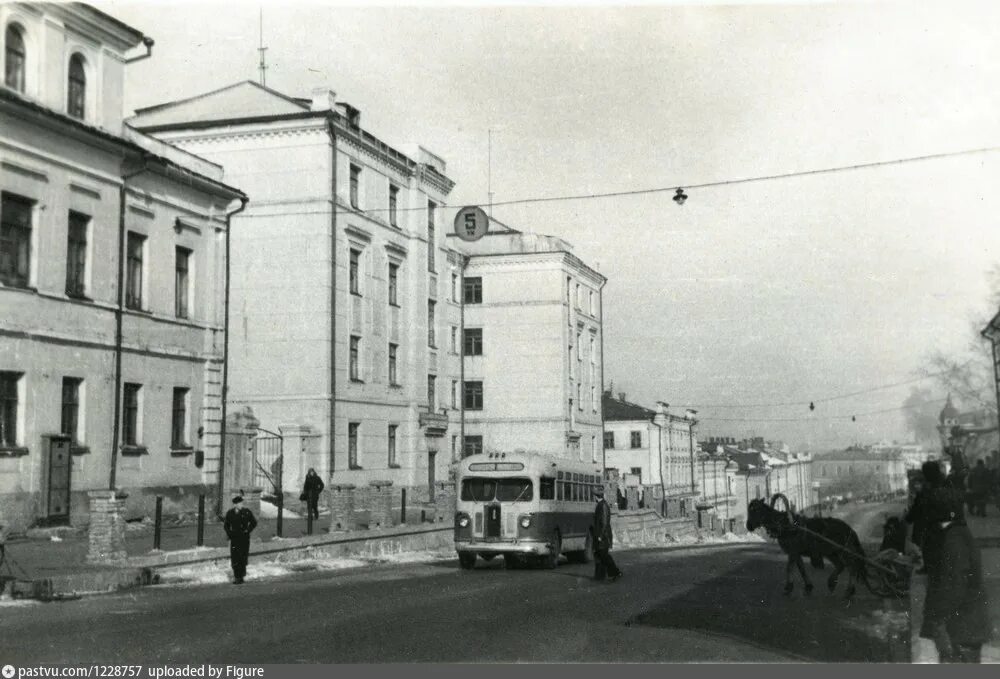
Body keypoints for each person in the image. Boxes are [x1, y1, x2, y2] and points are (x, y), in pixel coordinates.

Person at [919, 487, 991, 663]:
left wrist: (937, 618)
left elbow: (954, 585)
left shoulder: (954, 538)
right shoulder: (956, 533)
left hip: (960, 629)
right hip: (966, 627)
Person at [223, 494, 258, 584]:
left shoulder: (246, 512)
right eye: (239, 503)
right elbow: (226, 525)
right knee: (235, 557)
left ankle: (241, 576)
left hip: (244, 538)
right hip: (234, 538)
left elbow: (254, 522)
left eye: (242, 503)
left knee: (243, 557)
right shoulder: (230, 513)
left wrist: (248, 530)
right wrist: (229, 533)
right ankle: (237, 576)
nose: (241, 505)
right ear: (235, 504)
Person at [592, 487, 622, 582]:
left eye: (594, 496)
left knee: (604, 555)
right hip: (601, 534)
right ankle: (600, 576)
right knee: (599, 555)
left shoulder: (603, 506)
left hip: (604, 536)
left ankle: (616, 572)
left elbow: (604, 522)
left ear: (596, 497)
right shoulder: (601, 505)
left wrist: (600, 535)